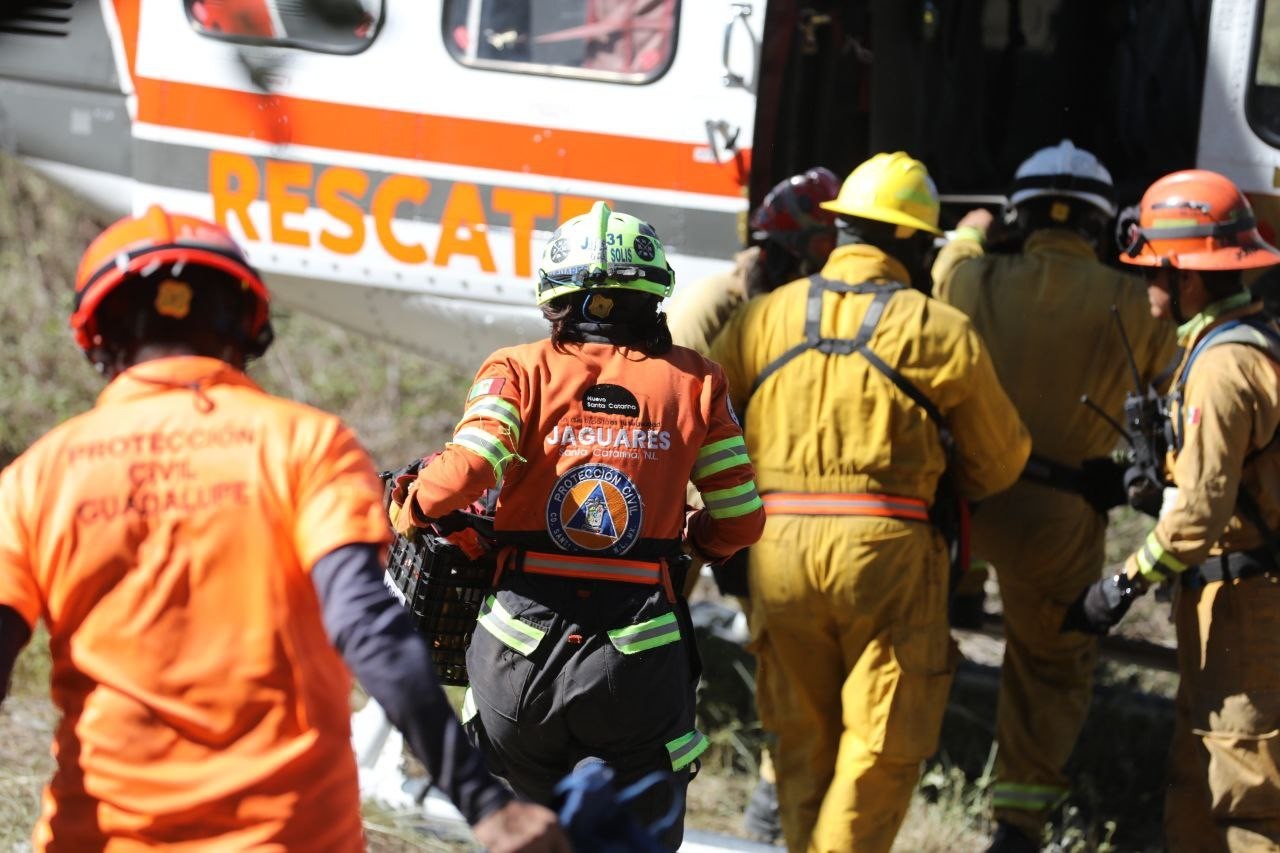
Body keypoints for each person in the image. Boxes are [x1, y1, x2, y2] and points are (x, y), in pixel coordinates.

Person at [0, 206, 567, 852]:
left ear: (96, 336)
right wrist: (487, 805)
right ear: (249, 325)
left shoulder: (39, 476)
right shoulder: (307, 447)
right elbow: (369, 626)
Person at [389, 201, 765, 850]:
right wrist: (694, 542)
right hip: (640, 655)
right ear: (652, 296)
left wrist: (409, 506)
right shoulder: (698, 384)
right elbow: (741, 519)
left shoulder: (517, 369)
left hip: (518, 648)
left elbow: (468, 471)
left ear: (554, 296)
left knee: (525, 832)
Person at [709, 151, 1031, 853]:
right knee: (880, 738)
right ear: (914, 241)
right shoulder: (939, 329)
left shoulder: (765, 315)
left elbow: (704, 418)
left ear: (843, 230)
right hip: (887, 551)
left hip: (776, 550)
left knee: (798, 734)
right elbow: (1000, 460)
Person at [930, 139, 1179, 852]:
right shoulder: (1136, 301)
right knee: (1049, 664)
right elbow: (1172, 396)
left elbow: (949, 261)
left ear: (1018, 219)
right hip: (1062, 515)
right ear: (1102, 229)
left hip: (971, 508)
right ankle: (1018, 825)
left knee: (917, 632)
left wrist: (976, 227)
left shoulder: (971, 278)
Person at [1065, 170, 1280, 851]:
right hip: (1223, 598)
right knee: (1196, 776)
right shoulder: (1241, 342)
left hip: (1246, 606)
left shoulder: (1220, 370)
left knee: (1248, 801)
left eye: (1150, 270)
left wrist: (1121, 582)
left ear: (1184, 274)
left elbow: (1197, 519)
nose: (1144, 285)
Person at [666, 165, 839, 844]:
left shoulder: (778, 301)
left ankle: (769, 805)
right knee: (654, 644)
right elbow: (671, 415)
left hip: (750, 499)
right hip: (688, 507)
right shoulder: (721, 301)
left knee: (786, 652)